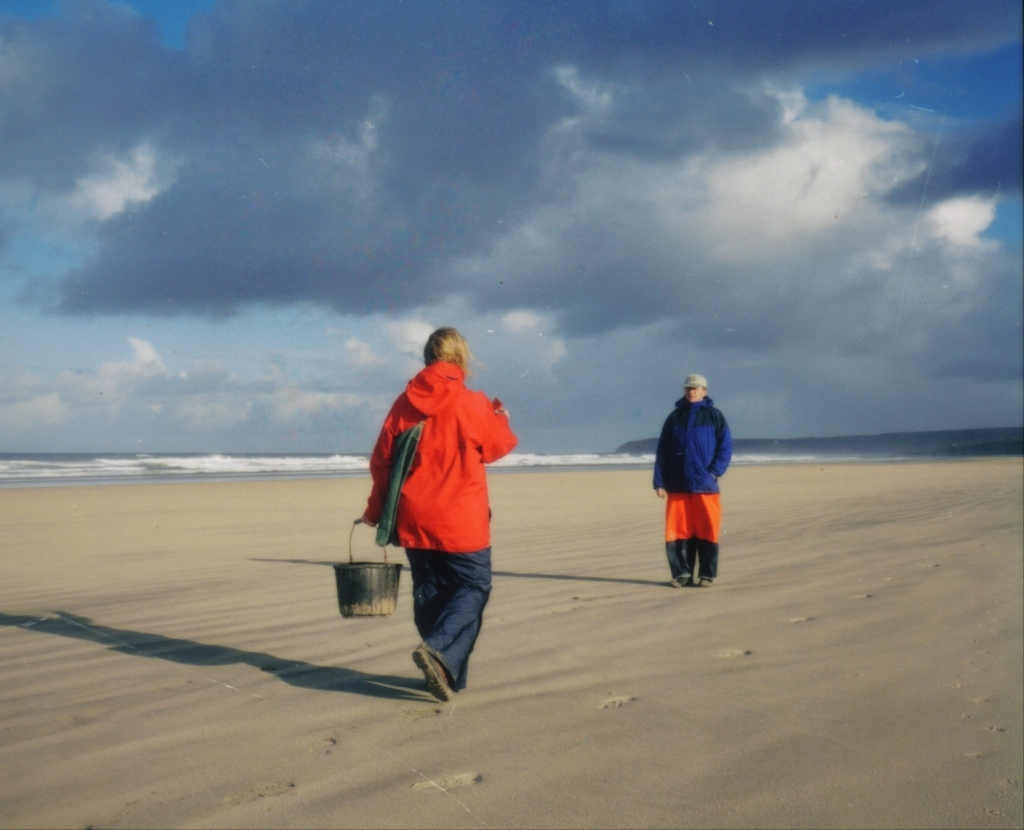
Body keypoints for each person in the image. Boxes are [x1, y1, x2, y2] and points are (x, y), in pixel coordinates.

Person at [361, 328, 517, 701]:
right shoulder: (472, 402)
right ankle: (437, 652)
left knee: (430, 592)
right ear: (460, 357)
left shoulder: (404, 402)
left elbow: (382, 461)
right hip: (460, 519)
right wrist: (501, 418)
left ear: (428, 357)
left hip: (414, 516)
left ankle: (446, 672)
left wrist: (376, 510)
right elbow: (498, 447)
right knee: (473, 587)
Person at [654, 374, 732, 588]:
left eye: (696, 388)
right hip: (677, 486)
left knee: (707, 530)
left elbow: (725, 448)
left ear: (704, 391)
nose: (691, 391)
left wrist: (714, 473)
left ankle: (706, 575)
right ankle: (682, 575)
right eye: (688, 388)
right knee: (678, 531)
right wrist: (659, 481)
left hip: (705, 486)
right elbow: (663, 451)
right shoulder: (674, 417)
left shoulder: (715, 416)